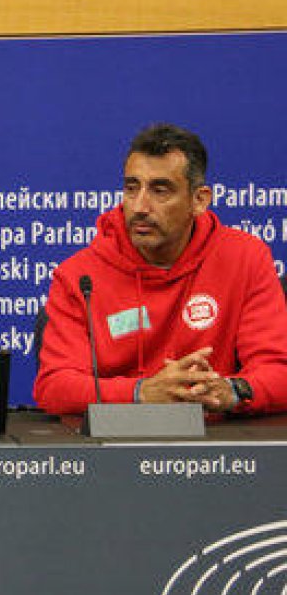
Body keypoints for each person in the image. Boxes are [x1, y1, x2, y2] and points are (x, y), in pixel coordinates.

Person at [35, 123, 287, 416]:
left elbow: (278, 371)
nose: (140, 206)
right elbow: (54, 386)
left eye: (160, 190)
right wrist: (141, 392)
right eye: (132, 188)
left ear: (199, 200)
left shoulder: (245, 258)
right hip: (114, 448)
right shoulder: (80, 276)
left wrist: (231, 391)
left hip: (214, 446)